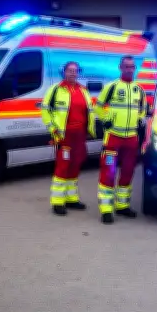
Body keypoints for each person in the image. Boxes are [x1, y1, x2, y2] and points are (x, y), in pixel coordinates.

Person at [94, 55, 146, 224]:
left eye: (132, 67)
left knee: (128, 172)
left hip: (131, 138)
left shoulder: (140, 90)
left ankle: (122, 206)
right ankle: (106, 210)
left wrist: (141, 119)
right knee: (108, 172)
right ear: (120, 68)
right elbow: (98, 107)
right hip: (113, 138)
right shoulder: (112, 87)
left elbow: (143, 110)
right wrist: (106, 120)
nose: (130, 69)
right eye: (127, 66)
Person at [40, 61, 96, 216]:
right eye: (70, 70)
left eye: (75, 71)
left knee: (75, 165)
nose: (72, 73)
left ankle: (71, 199)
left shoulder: (83, 90)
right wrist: (53, 129)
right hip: (64, 136)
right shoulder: (56, 90)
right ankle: (58, 202)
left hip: (79, 135)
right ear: (64, 72)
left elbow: (89, 111)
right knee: (63, 166)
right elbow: (45, 111)